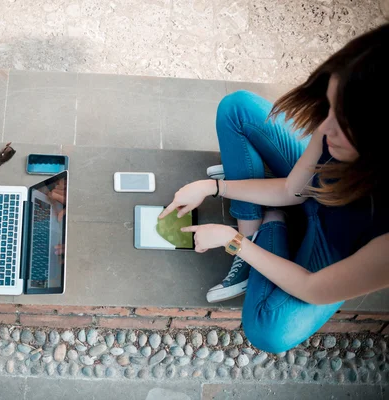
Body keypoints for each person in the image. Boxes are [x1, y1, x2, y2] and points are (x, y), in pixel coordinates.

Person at [161, 23, 389, 353]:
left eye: (342, 122)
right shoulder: (333, 130)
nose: (323, 128)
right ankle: (255, 228)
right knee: (237, 108)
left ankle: (270, 227)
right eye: (331, 108)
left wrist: (232, 241)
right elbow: (292, 191)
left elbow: (311, 288)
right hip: (313, 195)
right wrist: (211, 186)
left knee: (270, 329)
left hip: (334, 251)